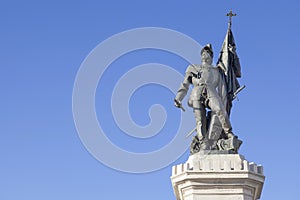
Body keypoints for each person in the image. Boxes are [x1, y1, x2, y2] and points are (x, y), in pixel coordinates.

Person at [174, 44, 235, 146]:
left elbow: (222, 89)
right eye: (203, 52)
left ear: (211, 56)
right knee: (200, 119)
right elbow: (185, 84)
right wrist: (178, 98)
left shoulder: (217, 70)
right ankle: (203, 142)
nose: (205, 53)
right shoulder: (193, 68)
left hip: (211, 91)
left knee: (220, 109)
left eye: (207, 52)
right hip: (196, 92)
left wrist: (225, 100)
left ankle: (229, 133)